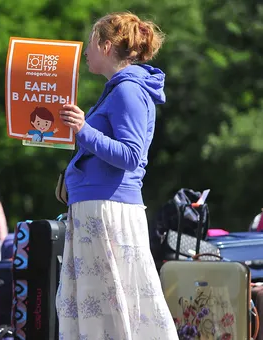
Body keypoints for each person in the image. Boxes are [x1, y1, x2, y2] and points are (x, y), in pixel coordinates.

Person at [56, 12, 179, 339]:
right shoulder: (118, 90)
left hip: (109, 211)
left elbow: (131, 155)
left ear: (106, 46)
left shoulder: (128, 91)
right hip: (98, 208)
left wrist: (83, 129)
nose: (86, 51)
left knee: (113, 302)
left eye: (92, 42)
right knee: (103, 303)